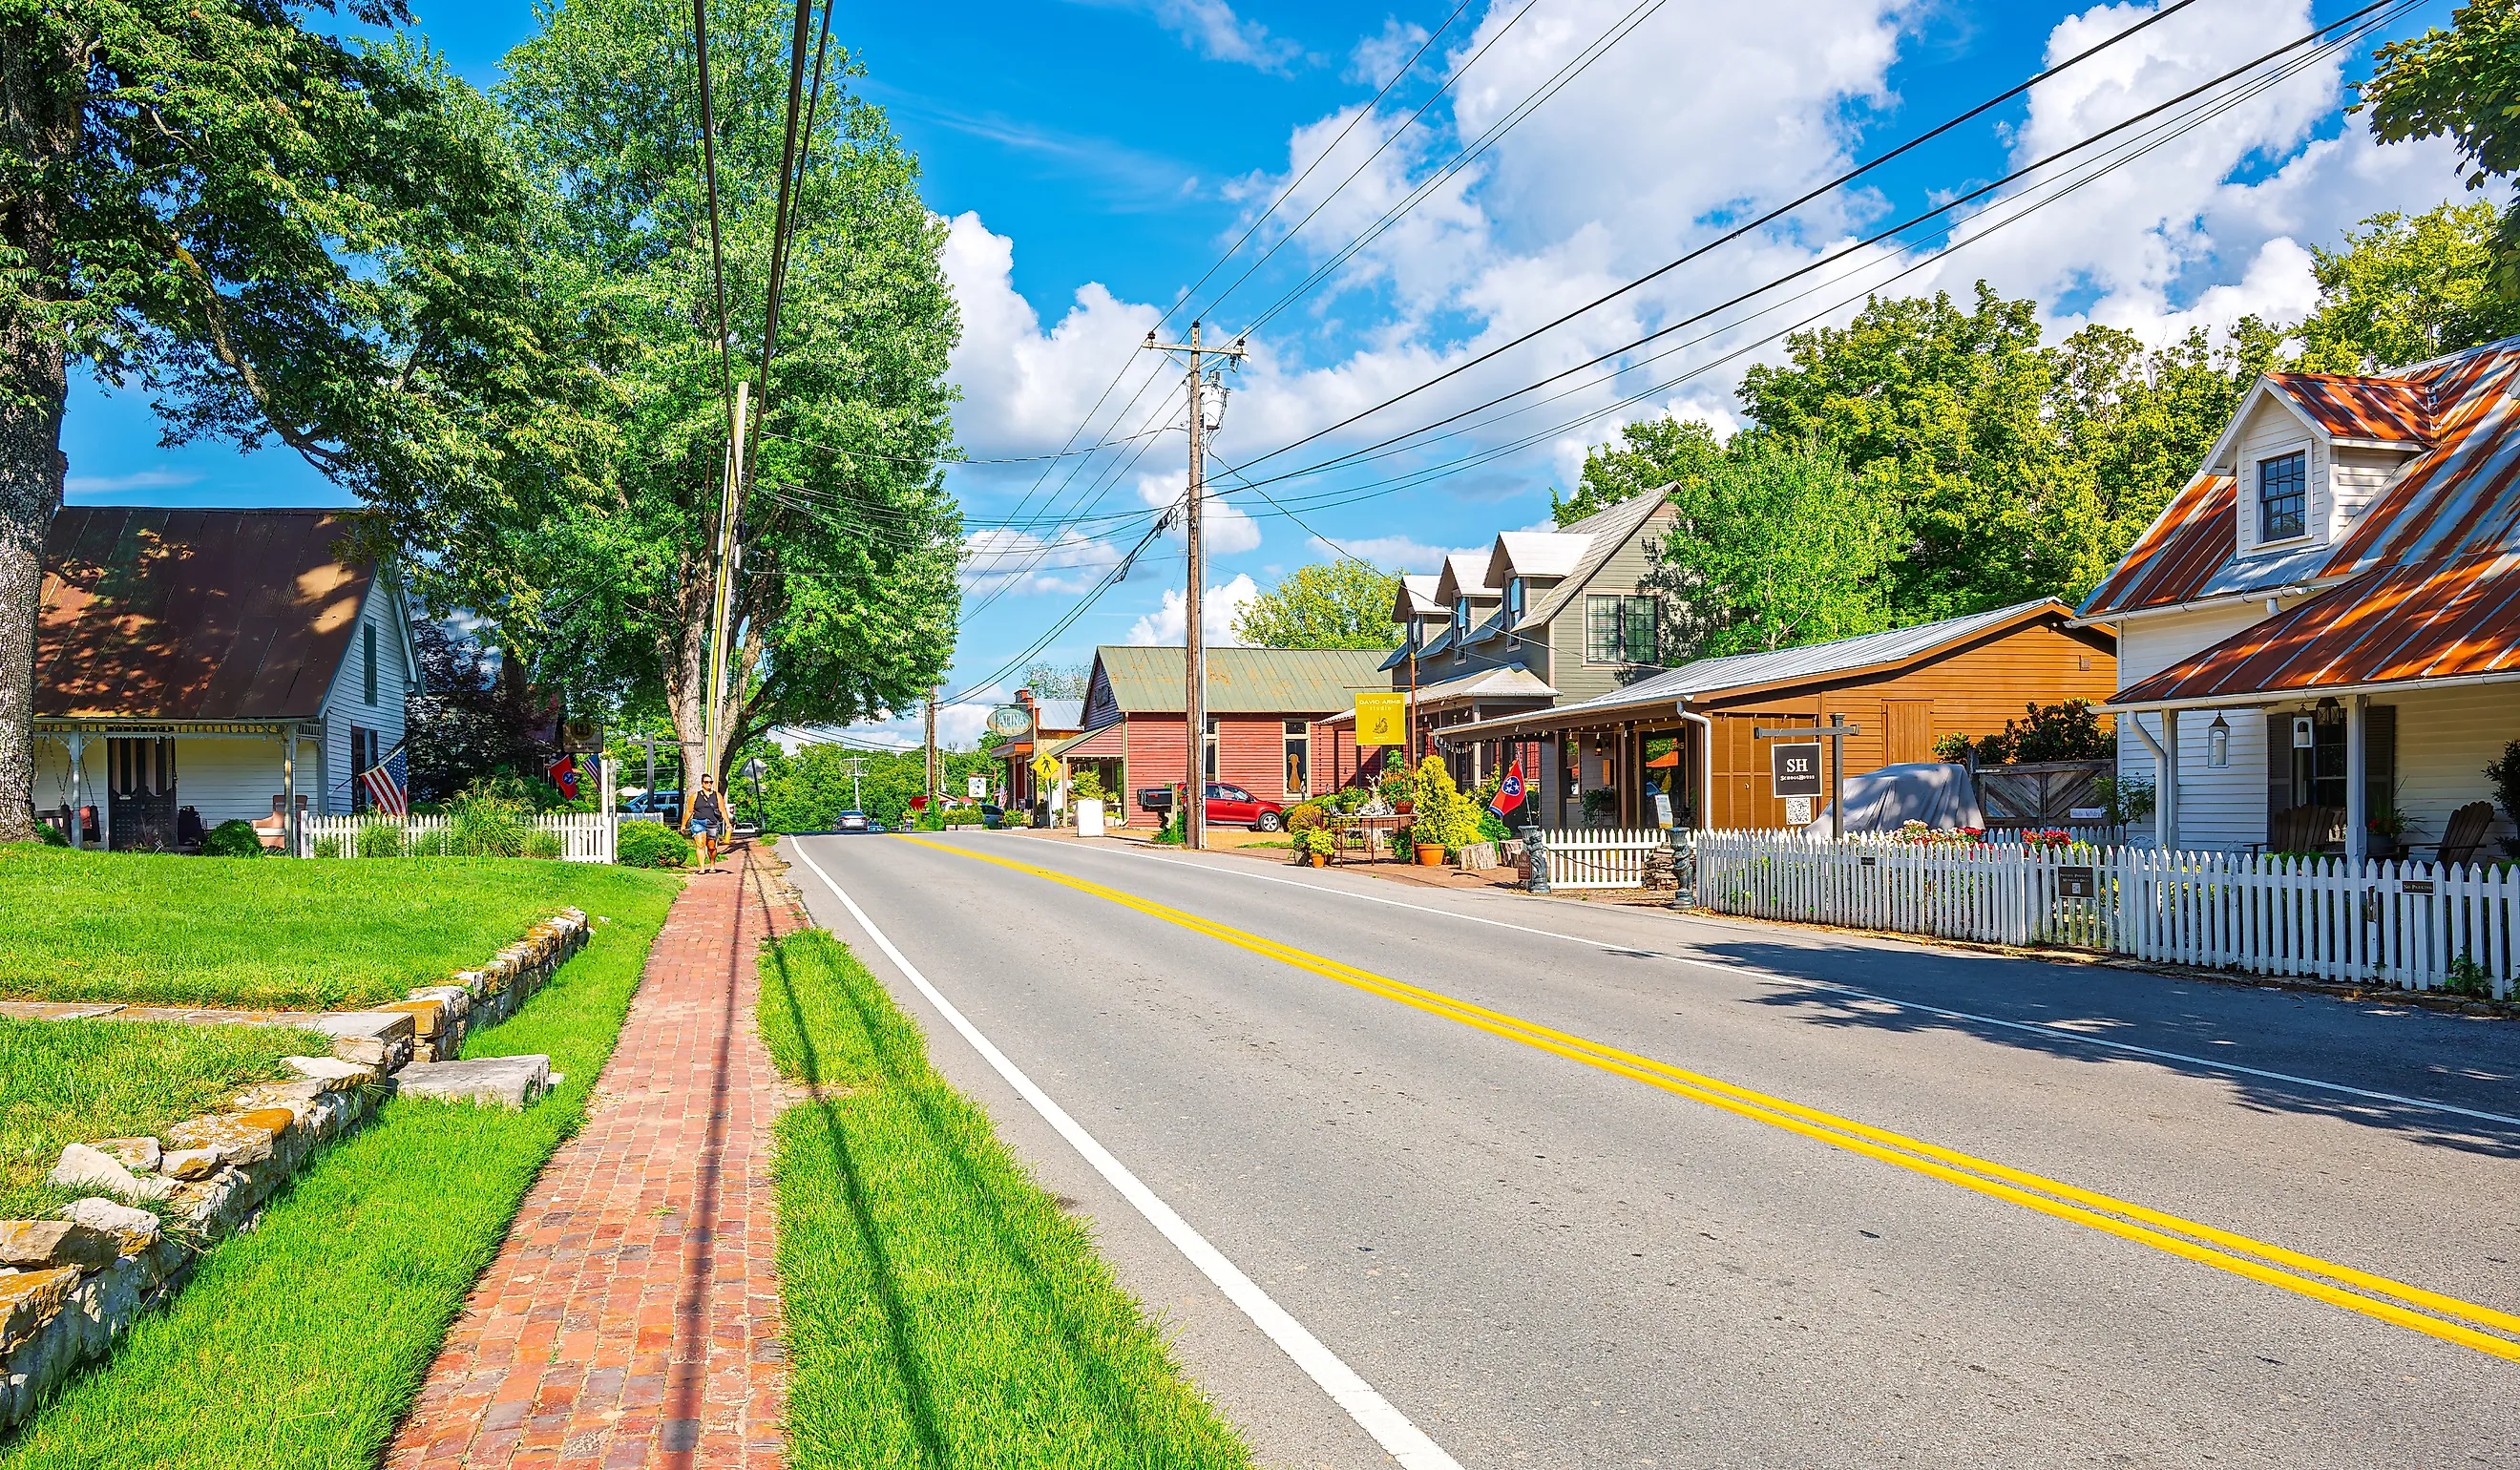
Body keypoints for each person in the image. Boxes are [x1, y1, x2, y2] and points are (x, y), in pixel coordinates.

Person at [686, 775, 727, 872]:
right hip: (698, 822)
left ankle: (712, 863)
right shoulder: (695, 796)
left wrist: (728, 824)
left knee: (711, 847)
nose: (709, 784)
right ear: (702, 783)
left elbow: (722, 810)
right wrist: (684, 824)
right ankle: (702, 868)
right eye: (706, 782)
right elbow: (689, 811)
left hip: (712, 823)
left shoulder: (717, 795)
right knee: (700, 845)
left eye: (710, 782)